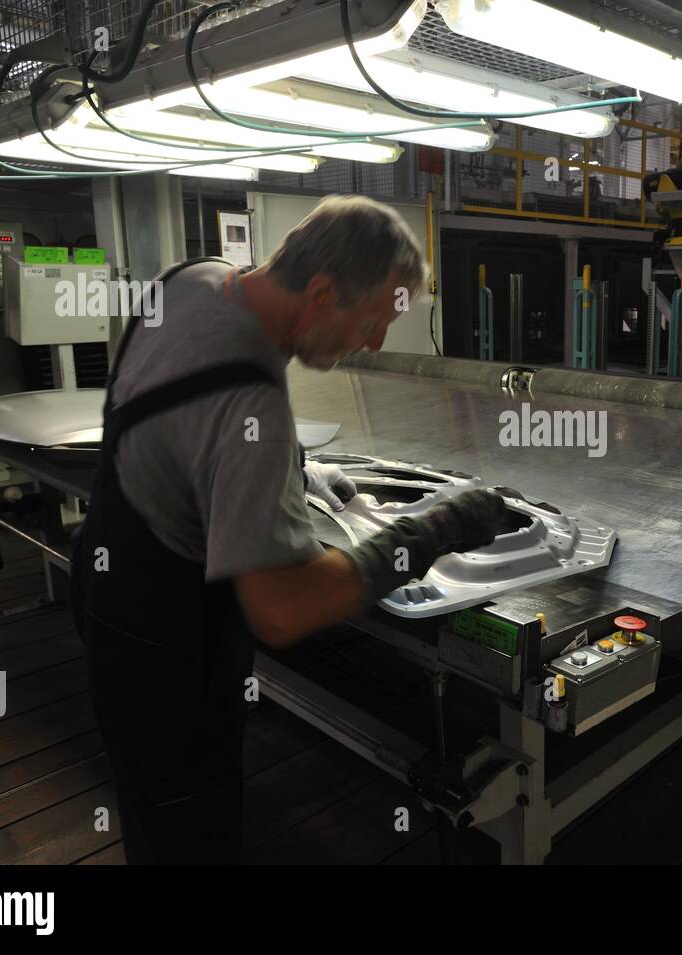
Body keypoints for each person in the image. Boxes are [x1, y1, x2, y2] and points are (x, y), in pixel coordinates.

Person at [69, 195, 505, 864]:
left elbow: (189, 428)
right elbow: (282, 607)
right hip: (169, 651)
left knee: (150, 812)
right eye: (374, 320)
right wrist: (431, 530)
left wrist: (290, 476)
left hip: (110, 594)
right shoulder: (255, 407)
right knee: (190, 834)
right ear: (323, 292)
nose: (377, 343)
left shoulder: (193, 278)